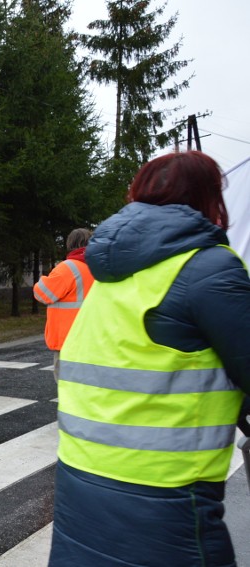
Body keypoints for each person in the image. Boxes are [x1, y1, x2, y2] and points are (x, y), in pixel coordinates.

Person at [49, 151, 250, 566]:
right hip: (166, 495)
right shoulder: (209, 268)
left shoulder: (111, 271)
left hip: (80, 478)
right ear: (208, 197)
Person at [32, 228, 94, 381]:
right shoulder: (97, 266)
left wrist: (43, 279)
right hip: (92, 335)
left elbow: (42, 294)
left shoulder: (68, 267)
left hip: (68, 337)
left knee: (66, 385)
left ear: (70, 244)